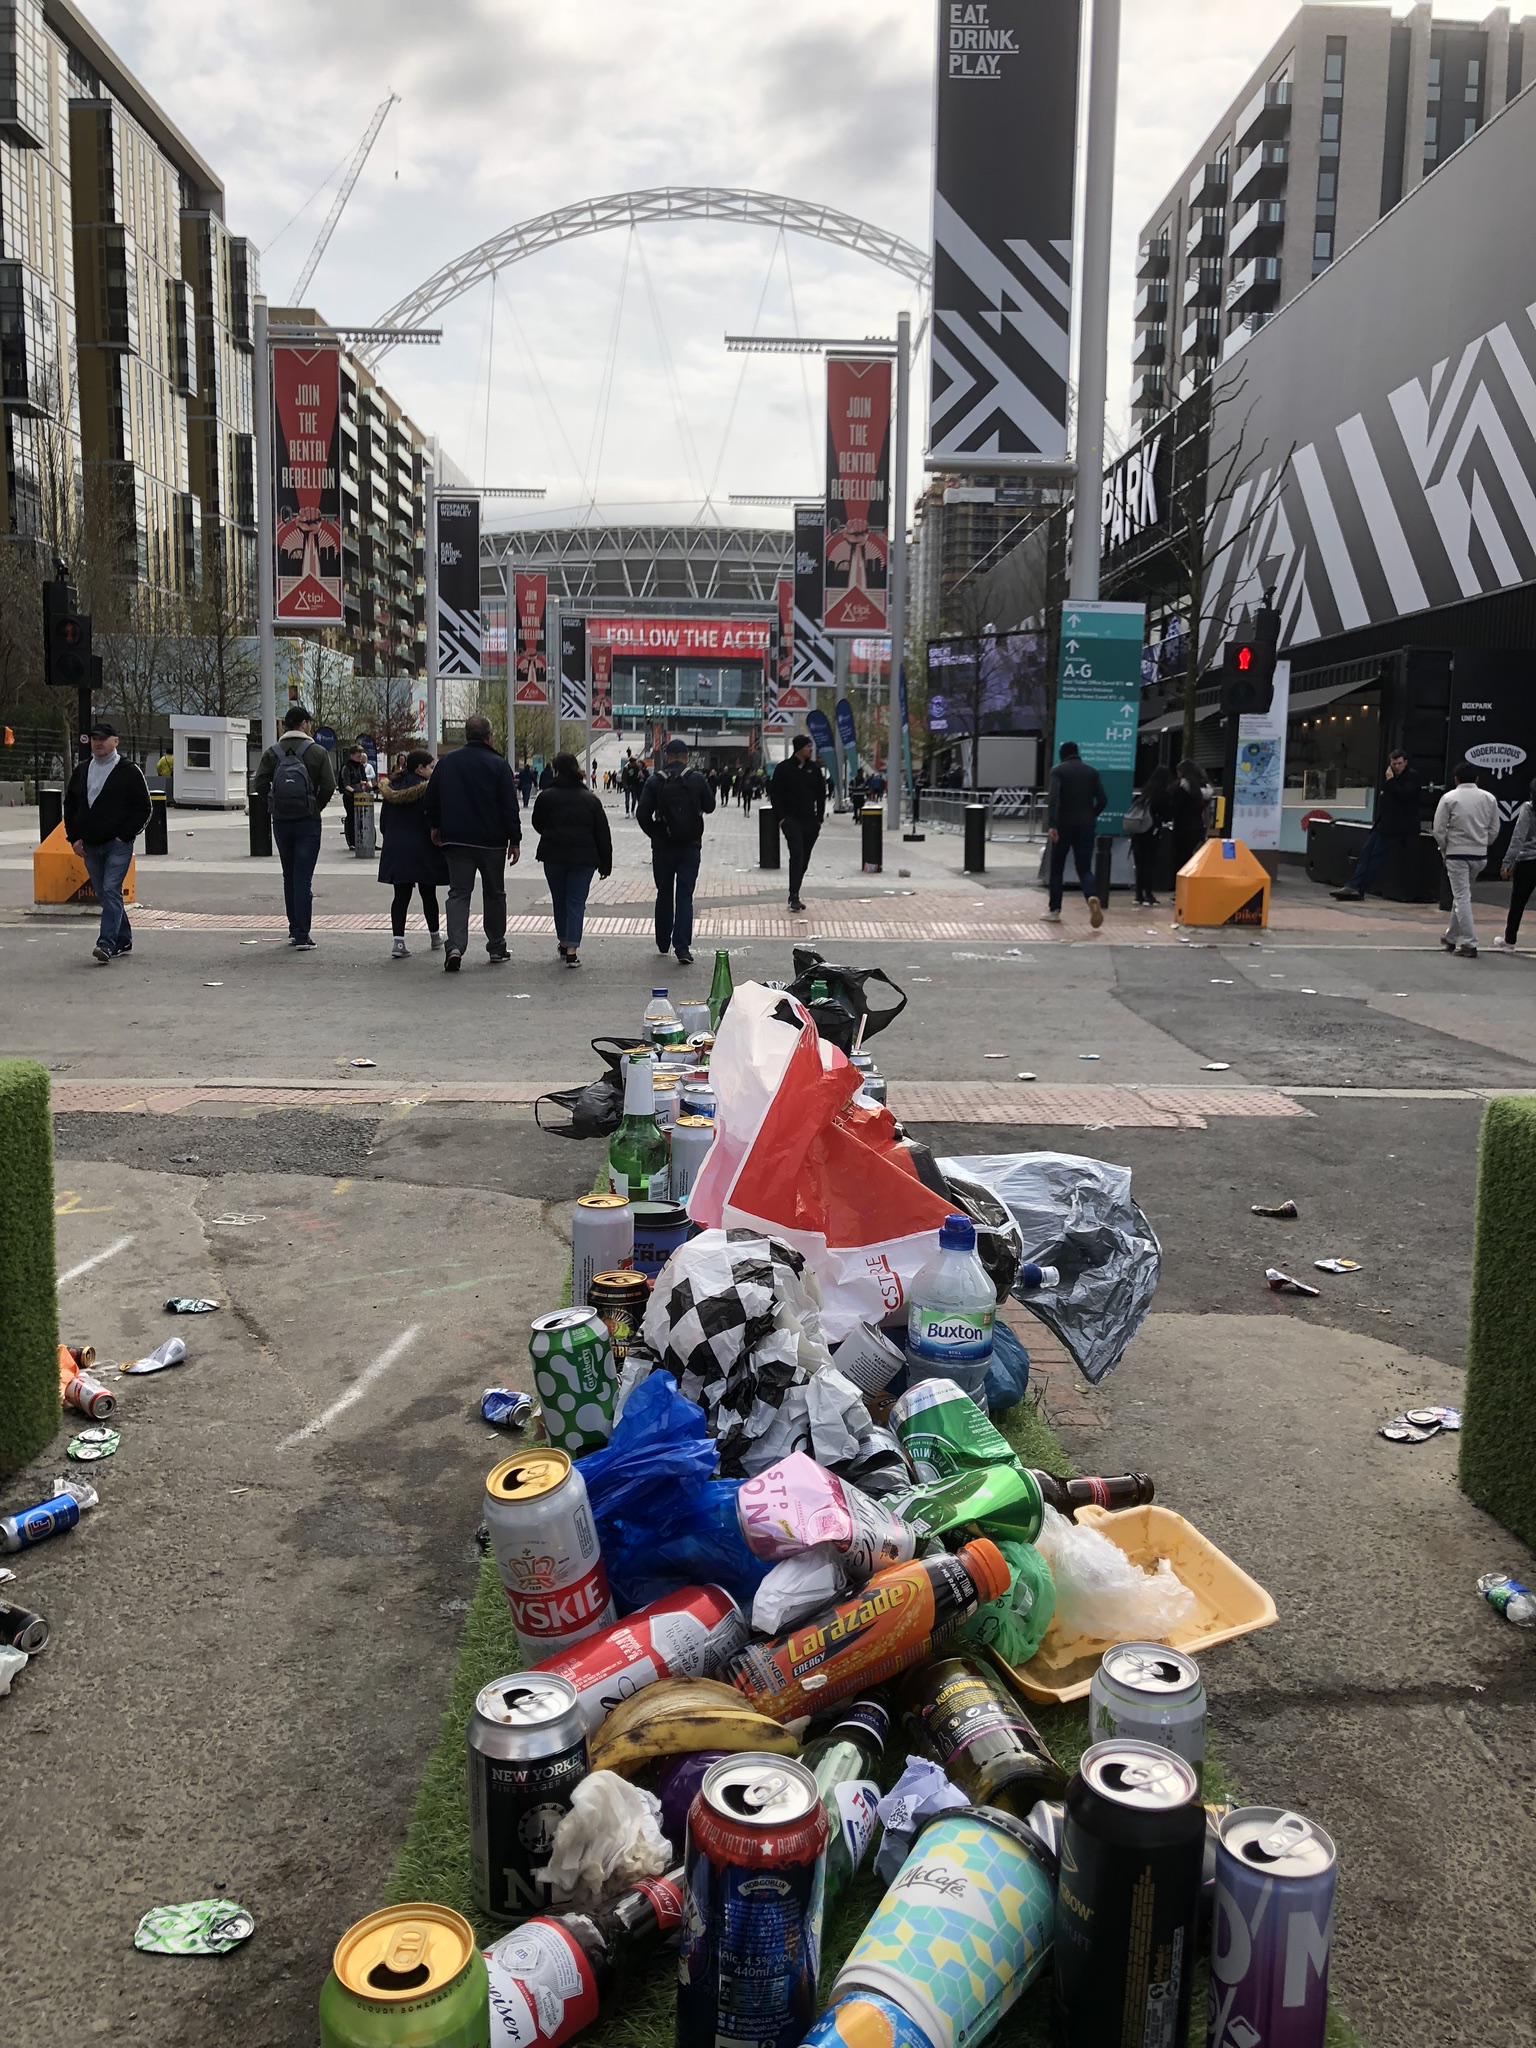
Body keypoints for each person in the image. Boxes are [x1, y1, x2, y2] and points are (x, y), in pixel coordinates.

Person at [424, 713, 522, 973]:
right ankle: (496, 947)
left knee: (458, 893)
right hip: (491, 842)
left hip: (456, 840)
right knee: (494, 893)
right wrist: (515, 839)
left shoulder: (447, 763)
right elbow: (509, 805)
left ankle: (455, 947)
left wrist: (435, 826)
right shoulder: (499, 765)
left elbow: (431, 798)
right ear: (489, 737)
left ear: (466, 735)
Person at [65, 719, 151, 964]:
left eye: (102, 738)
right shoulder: (82, 770)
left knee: (112, 889)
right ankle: (124, 938)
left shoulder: (128, 771)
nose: (97, 743)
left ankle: (106, 944)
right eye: (94, 739)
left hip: (118, 844)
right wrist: (74, 837)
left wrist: (125, 834)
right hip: (90, 843)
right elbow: (70, 805)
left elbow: (144, 807)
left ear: (115, 741)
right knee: (104, 893)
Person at [254, 703, 336, 950]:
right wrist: (315, 807)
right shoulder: (317, 752)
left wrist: (274, 806)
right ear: (303, 724)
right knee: (303, 878)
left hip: (281, 822)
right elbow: (329, 785)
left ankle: (293, 928)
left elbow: (260, 784)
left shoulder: (272, 752)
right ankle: (302, 933)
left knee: (288, 876)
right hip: (308, 822)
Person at [637, 736, 716, 966]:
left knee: (664, 892)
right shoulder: (696, 778)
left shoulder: (655, 781)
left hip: (663, 847)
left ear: (667, 756)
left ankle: (663, 942)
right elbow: (710, 807)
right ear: (686, 757)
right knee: (684, 895)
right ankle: (682, 947)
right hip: (690, 846)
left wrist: (656, 833)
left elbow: (642, 814)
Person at [532, 751, 613, 968]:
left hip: (553, 855)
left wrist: (551, 834)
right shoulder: (590, 799)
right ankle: (572, 950)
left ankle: (562, 939)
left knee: (559, 900)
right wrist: (606, 864)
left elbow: (537, 823)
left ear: (556, 770)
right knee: (576, 902)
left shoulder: (546, 796)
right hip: (584, 858)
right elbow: (602, 833)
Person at [378, 749, 449, 958]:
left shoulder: (391, 789)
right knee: (428, 893)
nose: (433, 771)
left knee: (400, 895)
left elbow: (383, 824)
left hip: (396, 848)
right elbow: (434, 818)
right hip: (423, 848)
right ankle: (435, 936)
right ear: (420, 768)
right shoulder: (428, 790)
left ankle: (398, 942)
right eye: (431, 767)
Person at [1331, 751, 1422, 901]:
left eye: (1399, 763)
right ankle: (1352, 885)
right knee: (1365, 853)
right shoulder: (1388, 777)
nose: (1397, 767)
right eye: (1394, 764)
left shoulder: (1411, 777)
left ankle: (1358, 887)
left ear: (1405, 762)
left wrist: (1391, 781)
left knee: (1376, 857)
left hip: (1397, 826)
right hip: (1383, 823)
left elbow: (1405, 796)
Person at [1433, 760, 1501, 959]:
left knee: (1462, 897)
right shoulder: (1489, 798)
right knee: (1462, 895)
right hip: (1479, 855)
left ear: (1456, 779)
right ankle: (1451, 937)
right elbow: (1495, 828)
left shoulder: (1449, 798)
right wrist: (1483, 843)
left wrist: (1444, 849)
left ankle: (1470, 942)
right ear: (1477, 779)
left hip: (1456, 853)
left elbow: (1439, 829)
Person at [1044, 740, 1107, 927]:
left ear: (1062, 754)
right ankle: (1091, 896)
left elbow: (1054, 799)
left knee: (1057, 868)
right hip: (1086, 826)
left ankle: (1054, 910)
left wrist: (1052, 824)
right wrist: (1091, 815)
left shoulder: (1058, 771)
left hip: (1063, 825)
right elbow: (1103, 800)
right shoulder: (1091, 772)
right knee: (1084, 868)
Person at [769, 733, 827, 914]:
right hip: (791, 820)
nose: (811, 749)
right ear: (800, 748)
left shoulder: (814, 769)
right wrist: (781, 818)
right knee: (797, 855)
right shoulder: (784, 769)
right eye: (808, 747)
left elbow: (821, 794)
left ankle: (795, 891)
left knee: (805, 859)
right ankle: (793, 895)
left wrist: (819, 818)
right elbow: (775, 794)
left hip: (810, 820)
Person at [1495, 777, 1536, 951]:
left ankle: (1509, 940)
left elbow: (1518, 837)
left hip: (1528, 860)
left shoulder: (1528, 809)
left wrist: (1507, 862)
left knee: (1518, 902)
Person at [1129, 764, 1175, 908]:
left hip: (1138, 832)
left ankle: (1138, 895)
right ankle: (1148, 894)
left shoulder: (1145, 792)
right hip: (1152, 831)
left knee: (1140, 863)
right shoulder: (1162, 793)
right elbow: (1167, 813)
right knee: (1149, 863)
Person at [1170, 758, 1212, 870]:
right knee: (1196, 858)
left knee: (1181, 858)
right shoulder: (1205, 789)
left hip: (1182, 828)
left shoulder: (1181, 789)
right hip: (1198, 827)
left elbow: (1175, 809)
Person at [339, 745, 370, 848]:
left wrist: (369, 787)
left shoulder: (361, 766)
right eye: (358, 756)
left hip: (360, 794)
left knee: (365, 817)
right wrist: (354, 792)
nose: (360, 758)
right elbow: (346, 784)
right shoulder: (346, 767)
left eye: (360, 756)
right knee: (352, 818)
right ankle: (352, 842)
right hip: (350, 796)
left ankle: (367, 840)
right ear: (352, 755)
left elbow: (365, 780)